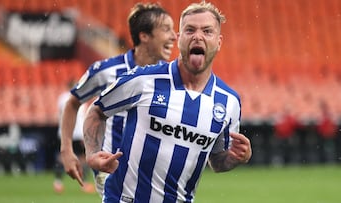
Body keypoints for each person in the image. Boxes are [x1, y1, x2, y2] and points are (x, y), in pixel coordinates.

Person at [83, 2, 252, 202]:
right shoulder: (143, 79)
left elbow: (216, 161)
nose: (198, 36)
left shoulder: (229, 102)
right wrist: (92, 152)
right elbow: (97, 111)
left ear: (219, 41)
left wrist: (236, 157)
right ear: (179, 38)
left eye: (207, 31)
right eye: (190, 30)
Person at [59, 2, 177, 197]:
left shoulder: (171, 76)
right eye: (166, 29)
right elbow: (73, 102)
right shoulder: (107, 71)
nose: (174, 36)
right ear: (144, 36)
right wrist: (66, 150)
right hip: (112, 170)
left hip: (153, 175)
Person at [53, 80, 95, 194]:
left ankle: (58, 182)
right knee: (83, 158)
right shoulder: (81, 98)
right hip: (78, 133)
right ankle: (84, 183)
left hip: (64, 132)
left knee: (62, 156)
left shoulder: (62, 98)